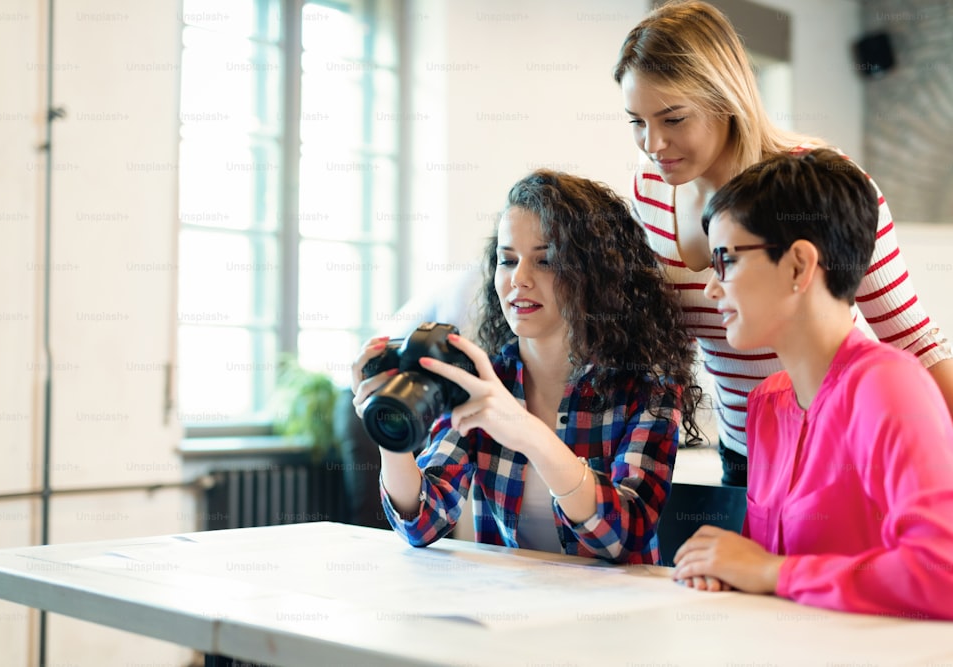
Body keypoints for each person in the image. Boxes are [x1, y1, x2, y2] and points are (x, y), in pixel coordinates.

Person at [614, 0, 953, 486]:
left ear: (723, 99)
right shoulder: (650, 190)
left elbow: (913, 338)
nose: (653, 144)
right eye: (636, 121)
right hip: (744, 452)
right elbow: (663, 345)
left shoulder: (818, 183)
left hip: (835, 450)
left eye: (673, 119)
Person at [351, 169, 702, 564]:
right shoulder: (483, 379)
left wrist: (530, 435)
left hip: (613, 617)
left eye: (546, 261)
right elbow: (422, 524)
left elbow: (625, 536)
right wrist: (388, 428)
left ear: (596, 274)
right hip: (511, 611)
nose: (519, 279)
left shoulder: (647, 387)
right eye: (507, 260)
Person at [670, 148, 953, 619]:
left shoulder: (887, 386)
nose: (711, 288)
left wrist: (768, 573)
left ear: (799, 265)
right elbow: (772, 567)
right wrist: (729, 570)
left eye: (727, 260)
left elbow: (943, 572)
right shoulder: (766, 403)